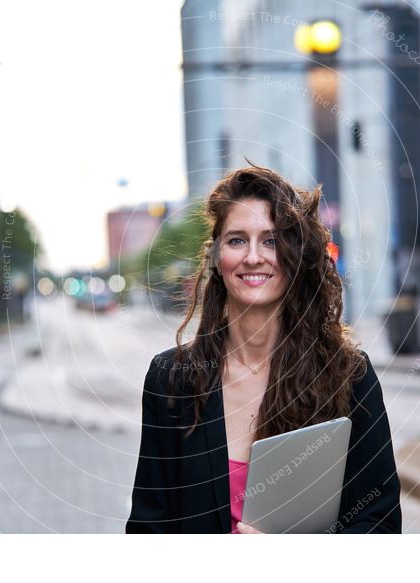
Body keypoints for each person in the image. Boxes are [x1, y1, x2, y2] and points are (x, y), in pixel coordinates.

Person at [126, 164, 402, 534]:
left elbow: (380, 525)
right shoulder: (171, 379)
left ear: (295, 256)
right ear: (217, 258)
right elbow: (148, 531)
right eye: (237, 239)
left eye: (271, 240)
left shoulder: (346, 374)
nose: (253, 256)